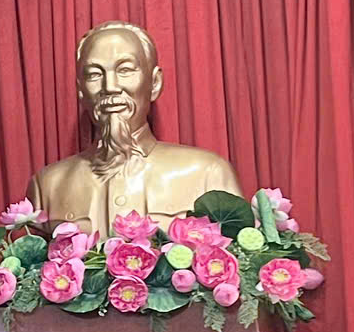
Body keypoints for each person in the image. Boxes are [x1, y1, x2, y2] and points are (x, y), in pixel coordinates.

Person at [29, 19, 239, 232]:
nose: (110, 87)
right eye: (94, 74)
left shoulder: (207, 173)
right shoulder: (47, 187)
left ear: (154, 83)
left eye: (125, 70)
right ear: (81, 90)